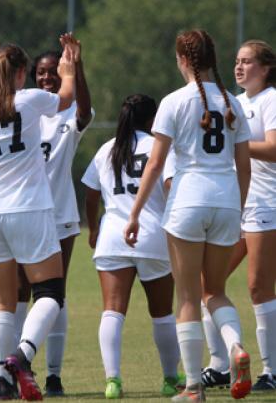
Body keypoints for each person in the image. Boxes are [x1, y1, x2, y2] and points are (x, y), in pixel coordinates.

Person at [124, 29, 252, 402]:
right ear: (213, 58)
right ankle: (236, 347)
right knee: (216, 292)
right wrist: (239, 206)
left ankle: (194, 387)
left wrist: (134, 214)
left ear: (182, 59)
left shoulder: (174, 101)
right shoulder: (233, 102)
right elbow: (243, 164)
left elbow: (155, 164)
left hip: (187, 202)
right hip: (226, 201)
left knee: (188, 296)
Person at [0, 40, 75, 401]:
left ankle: (1, 380)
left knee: (1, 301)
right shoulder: (30, 99)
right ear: (23, 73)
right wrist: (68, 66)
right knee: (51, 293)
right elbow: (67, 97)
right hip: (29, 208)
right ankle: (21, 355)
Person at [82, 94, 183, 399]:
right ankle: (169, 379)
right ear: (153, 121)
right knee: (162, 313)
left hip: (112, 236)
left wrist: (95, 227)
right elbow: (170, 187)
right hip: (152, 237)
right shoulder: (160, 147)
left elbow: (90, 193)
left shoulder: (106, 149)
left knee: (112, 311)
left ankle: (112, 381)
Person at [15, 33, 93, 396]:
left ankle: (54, 375)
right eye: (41, 74)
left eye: (53, 73)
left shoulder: (68, 114)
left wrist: (77, 66)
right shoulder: (27, 112)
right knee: (17, 292)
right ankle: (11, 368)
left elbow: (85, 111)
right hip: (24, 210)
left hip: (59, 214)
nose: (47, 78)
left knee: (54, 294)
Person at [201, 40, 276, 392]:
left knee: (258, 288)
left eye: (247, 62)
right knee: (207, 285)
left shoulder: (270, 99)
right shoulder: (235, 102)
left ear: (266, 68)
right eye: (237, 61)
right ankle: (218, 364)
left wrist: (237, 146)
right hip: (238, 202)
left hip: (267, 205)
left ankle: (270, 371)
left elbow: (274, 148)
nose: (239, 67)